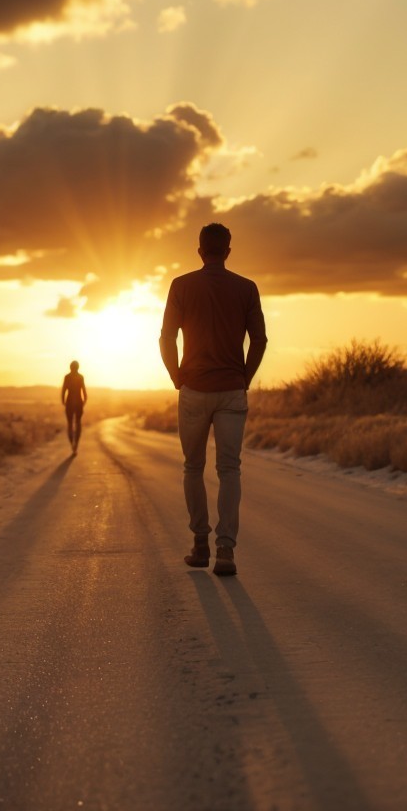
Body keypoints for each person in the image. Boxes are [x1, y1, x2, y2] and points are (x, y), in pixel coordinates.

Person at [159, 222, 266, 577]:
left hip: (194, 388)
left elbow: (167, 337)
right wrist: (244, 378)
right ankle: (226, 551)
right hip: (231, 390)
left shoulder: (181, 285)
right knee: (229, 469)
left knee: (193, 467)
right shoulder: (246, 288)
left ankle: (200, 543)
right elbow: (259, 340)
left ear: (200, 251)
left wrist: (176, 375)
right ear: (228, 251)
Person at [60, 360, 87, 455]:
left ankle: (72, 444)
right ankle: (75, 445)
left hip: (70, 403)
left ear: (70, 367)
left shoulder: (67, 377)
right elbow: (84, 392)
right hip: (79, 402)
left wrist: (63, 401)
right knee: (78, 423)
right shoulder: (80, 377)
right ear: (78, 367)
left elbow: (63, 390)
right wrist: (84, 402)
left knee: (70, 424)